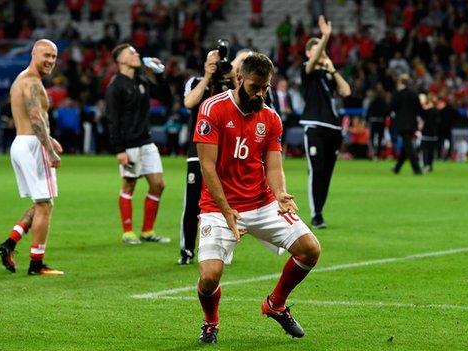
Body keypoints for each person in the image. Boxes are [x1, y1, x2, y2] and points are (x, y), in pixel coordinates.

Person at [194, 53, 321, 344]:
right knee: (210, 277)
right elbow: (207, 166)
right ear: (239, 79)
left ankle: (275, 304)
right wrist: (226, 211)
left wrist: (280, 194)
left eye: (265, 87)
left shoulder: (270, 117)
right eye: (254, 87)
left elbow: (273, 166)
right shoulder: (212, 108)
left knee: (310, 249)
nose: (260, 94)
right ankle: (211, 322)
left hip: (261, 202)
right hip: (218, 205)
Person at [0, 39, 64, 275]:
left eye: (54, 57)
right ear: (33, 53)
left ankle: (10, 244)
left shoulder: (22, 79)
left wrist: (49, 138)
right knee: (45, 206)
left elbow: (32, 118)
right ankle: (36, 264)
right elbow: (36, 119)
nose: (50, 61)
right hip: (33, 146)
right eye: (46, 55)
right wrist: (50, 150)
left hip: (22, 143)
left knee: (41, 203)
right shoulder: (33, 83)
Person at [178, 49, 252, 265]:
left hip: (227, 154)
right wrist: (208, 78)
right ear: (205, 63)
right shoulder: (195, 81)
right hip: (198, 152)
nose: (218, 64)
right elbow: (189, 103)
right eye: (213, 61)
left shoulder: (233, 85)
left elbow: (246, 103)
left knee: (226, 204)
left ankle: (223, 250)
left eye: (220, 62)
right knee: (192, 204)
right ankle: (187, 251)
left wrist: (230, 77)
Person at [105, 44, 172, 244]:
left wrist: (159, 74)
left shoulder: (141, 79)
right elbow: (112, 119)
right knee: (129, 185)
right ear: (121, 60)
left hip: (146, 141)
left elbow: (166, 97)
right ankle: (128, 232)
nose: (137, 55)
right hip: (129, 144)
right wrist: (119, 150)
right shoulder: (115, 86)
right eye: (132, 53)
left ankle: (147, 231)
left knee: (158, 185)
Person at [300, 15, 351, 229]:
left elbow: (346, 91)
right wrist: (325, 36)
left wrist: (332, 70)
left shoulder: (328, 74)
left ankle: (320, 211)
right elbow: (312, 63)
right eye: (317, 49)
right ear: (309, 53)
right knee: (317, 170)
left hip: (333, 128)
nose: (320, 53)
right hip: (314, 126)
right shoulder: (307, 70)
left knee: (327, 174)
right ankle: (316, 214)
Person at [390, 74, 423, 175]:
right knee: (406, 146)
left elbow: (392, 106)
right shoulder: (414, 93)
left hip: (403, 124)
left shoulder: (399, 94)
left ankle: (417, 169)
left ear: (400, 83)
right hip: (412, 123)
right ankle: (397, 168)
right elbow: (419, 109)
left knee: (408, 147)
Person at [418, 93, 439, 172]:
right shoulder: (436, 111)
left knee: (425, 150)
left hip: (426, 132)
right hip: (434, 133)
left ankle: (426, 165)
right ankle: (430, 166)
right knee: (431, 151)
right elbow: (438, 122)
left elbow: (421, 115)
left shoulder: (426, 110)